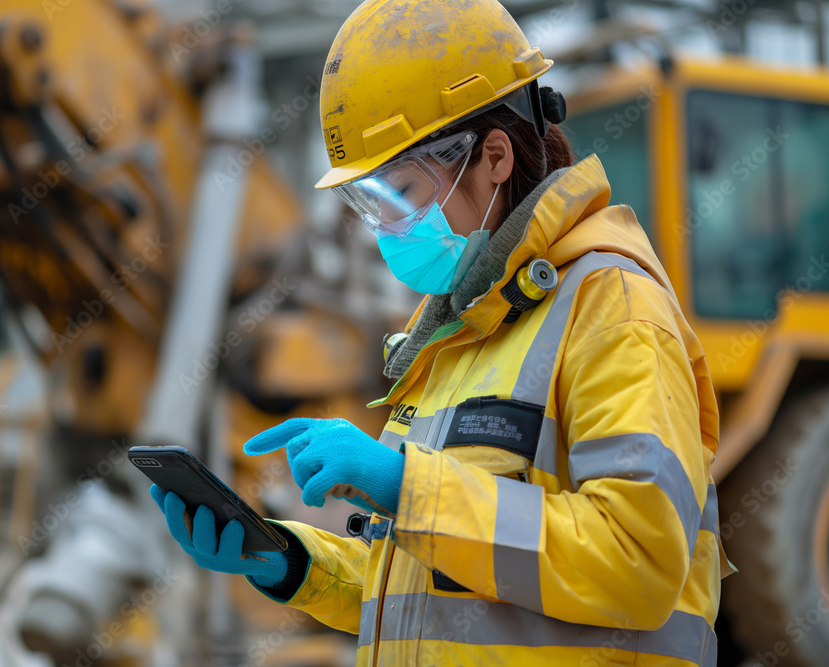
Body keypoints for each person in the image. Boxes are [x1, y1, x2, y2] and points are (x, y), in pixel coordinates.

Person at [149, 0, 731, 663]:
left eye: (400, 194)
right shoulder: (463, 335)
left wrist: (405, 484)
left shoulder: (614, 309)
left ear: (494, 157)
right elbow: (430, 587)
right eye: (368, 203)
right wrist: (286, 560)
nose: (387, 228)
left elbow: (636, 563)